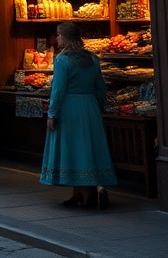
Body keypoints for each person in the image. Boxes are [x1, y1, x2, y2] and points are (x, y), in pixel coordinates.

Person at [41, 22, 117, 209]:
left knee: (73, 148)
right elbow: (101, 87)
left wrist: (52, 113)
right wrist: (98, 107)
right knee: (88, 146)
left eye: (58, 35)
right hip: (89, 105)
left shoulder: (62, 60)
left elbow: (58, 90)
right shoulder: (92, 59)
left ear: (65, 37)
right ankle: (84, 191)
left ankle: (85, 192)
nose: (57, 38)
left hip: (70, 107)